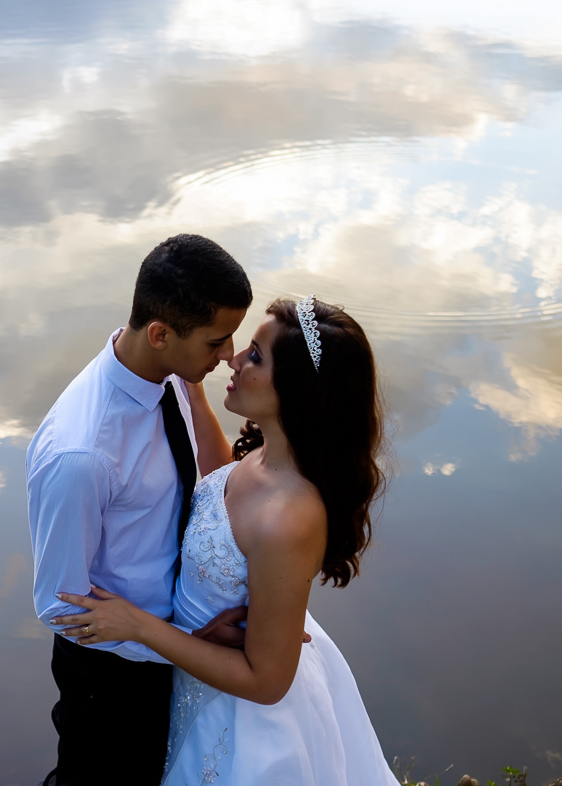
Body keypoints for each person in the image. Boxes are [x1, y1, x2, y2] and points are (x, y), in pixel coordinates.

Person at [53, 296, 401, 785]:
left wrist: (139, 625)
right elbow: (226, 491)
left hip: (239, 724)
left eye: (255, 355)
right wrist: (194, 395)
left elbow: (267, 681)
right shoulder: (270, 457)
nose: (233, 359)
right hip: (200, 670)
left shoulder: (290, 520)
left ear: (297, 390)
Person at [27, 234, 255, 786]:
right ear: (160, 334)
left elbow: (210, 480)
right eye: (217, 341)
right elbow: (61, 607)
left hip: (172, 645)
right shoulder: (82, 455)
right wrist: (177, 645)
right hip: (113, 678)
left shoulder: (168, 371)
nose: (230, 355)